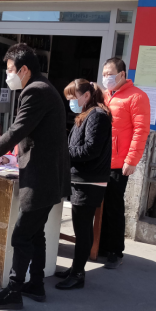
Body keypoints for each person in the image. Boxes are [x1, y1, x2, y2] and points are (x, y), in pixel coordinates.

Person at [0, 43, 70, 310]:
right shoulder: (43, 87)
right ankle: (35, 284)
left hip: (42, 177)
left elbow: (17, 130)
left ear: (24, 69)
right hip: (48, 175)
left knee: (21, 235)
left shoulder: (35, 91)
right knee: (35, 234)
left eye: (10, 70)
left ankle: (13, 292)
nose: (7, 75)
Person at [55, 79, 112, 290]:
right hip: (83, 179)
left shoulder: (97, 116)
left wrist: (64, 153)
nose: (70, 101)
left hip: (89, 181)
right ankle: (76, 268)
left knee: (82, 229)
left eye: (73, 97)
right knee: (82, 228)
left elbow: (90, 150)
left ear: (86, 96)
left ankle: (78, 273)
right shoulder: (88, 115)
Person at [99, 57, 150, 268]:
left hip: (120, 163)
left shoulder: (137, 97)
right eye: (104, 74)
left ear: (122, 74)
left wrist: (131, 160)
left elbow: (141, 131)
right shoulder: (105, 96)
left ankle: (115, 251)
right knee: (100, 206)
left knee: (114, 206)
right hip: (101, 161)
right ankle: (100, 245)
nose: (106, 78)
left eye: (109, 74)